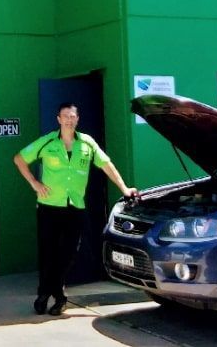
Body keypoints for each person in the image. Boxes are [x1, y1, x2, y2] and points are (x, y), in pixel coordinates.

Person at [13, 103, 137, 316]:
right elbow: (19, 159)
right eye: (65, 116)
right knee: (48, 254)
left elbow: (107, 165)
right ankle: (50, 296)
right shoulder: (48, 142)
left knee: (69, 253)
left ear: (77, 119)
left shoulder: (87, 143)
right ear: (58, 119)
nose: (69, 120)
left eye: (73, 116)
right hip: (49, 207)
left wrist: (124, 188)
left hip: (75, 207)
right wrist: (35, 183)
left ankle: (52, 291)